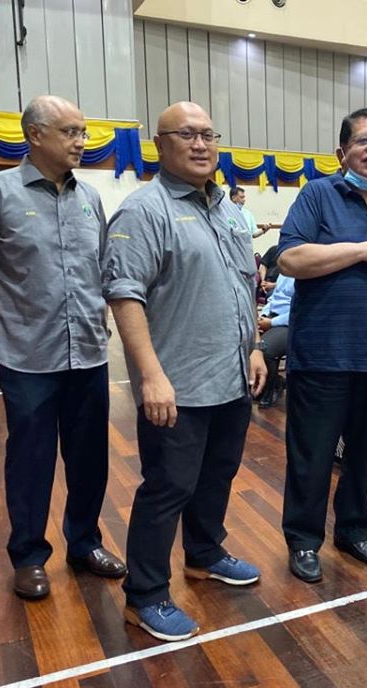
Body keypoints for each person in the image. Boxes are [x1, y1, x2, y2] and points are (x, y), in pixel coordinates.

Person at [102, 101, 264, 642]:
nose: (200, 145)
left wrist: (255, 347)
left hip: (232, 376)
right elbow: (124, 296)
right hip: (178, 384)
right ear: (160, 144)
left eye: (208, 135)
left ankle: (204, 554)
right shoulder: (143, 211)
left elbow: (245, 285)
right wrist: (150, 376)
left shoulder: (227, 210)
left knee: (218, 474)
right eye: (186, 134)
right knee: (168, 487)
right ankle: (145, 595)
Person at [0, 95, 125, 601]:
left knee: (90, 459)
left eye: (83, 131)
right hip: (27, 358)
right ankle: (29, 556)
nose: (82, 141)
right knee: (30, 462)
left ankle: (85, 543)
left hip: (88, 354)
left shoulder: (90, 198)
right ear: (34, 134)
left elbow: (102, 270)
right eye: (70, 131)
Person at [277, 106, 367, 584]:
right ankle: (303, 539)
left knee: (363, 454)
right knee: (312, 455)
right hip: (322, 353)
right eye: (363, 141)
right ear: (341, 152)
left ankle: (353, 530)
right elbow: (290, 258)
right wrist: (363, 249)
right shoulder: (316, 195)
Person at [257, 273, 295, 408]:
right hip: (272, 316)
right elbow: (274, 299)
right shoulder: (285, 271)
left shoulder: (307, 272)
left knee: (264, 348)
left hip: (290, 323)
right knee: (244, 339)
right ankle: (274, 381)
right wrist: (263, 316)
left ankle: (272, 388)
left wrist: (272, 322)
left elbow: (300, 309)